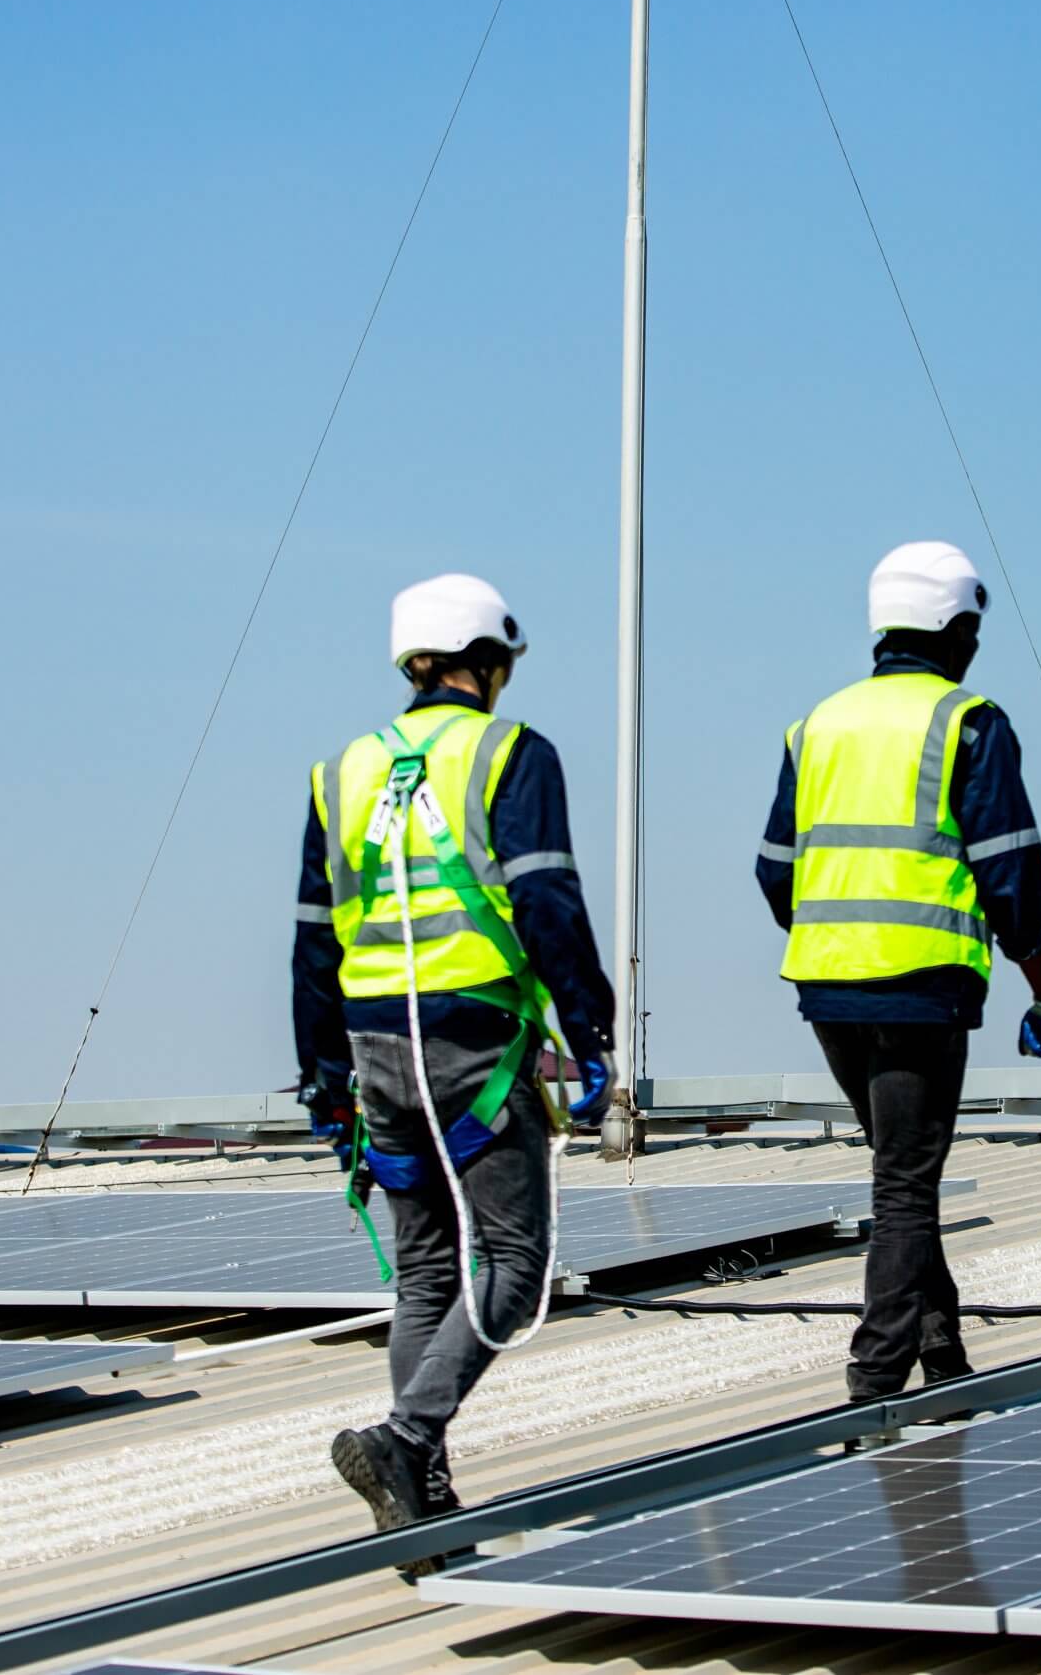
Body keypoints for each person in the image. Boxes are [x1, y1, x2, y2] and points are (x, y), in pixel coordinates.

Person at [293, 571, 617, 1574]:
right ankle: (404, 1440)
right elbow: (545, 900)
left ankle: (423, 1513)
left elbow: (312, 937)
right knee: (513, 1271)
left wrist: (320, 1075)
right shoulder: (509, 753)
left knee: (429, 1274)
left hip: (372, 1043)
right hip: (474, 1039)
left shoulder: (342, 769)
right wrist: (591, 1029)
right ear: (485, 659)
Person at [755, 540, 1041, 1402]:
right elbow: (1012, 872)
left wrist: (834, 931)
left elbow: (775, 870)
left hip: (827, 987)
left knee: (900, 1172)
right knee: (904, 1185)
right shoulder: (969, 721)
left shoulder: (815, 725)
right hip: (922, 985)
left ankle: (944, 1354)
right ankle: (874, 1383)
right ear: (958, 627)